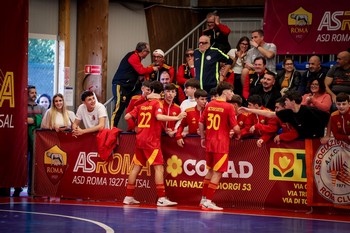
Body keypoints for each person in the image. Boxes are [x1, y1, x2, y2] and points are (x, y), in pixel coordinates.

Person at [123, 81, 186, 206]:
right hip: (151, 141)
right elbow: (159, 117)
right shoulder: (157, 103)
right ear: (161, 92)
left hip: (140, 139)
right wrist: (176, 118)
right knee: (159, 168)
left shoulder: (142, 104)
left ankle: (128, 197)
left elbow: (127, 117)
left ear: (150, 90)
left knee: (136, 168)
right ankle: (162, 198)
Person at [199, 82, 240, 211]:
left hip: (210, 143)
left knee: (210, 171)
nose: (232, 94)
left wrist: (202, 137)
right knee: (218, 172)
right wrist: (238, 134)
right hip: (221, 144)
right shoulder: (228, 107)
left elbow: (201, 122)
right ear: (224, 92)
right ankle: (209, 201)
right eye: (231, 92)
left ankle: (203, 199)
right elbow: (236, 127)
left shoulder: (209, 104)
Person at [239, 90, 330, 139]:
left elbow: (329, 118)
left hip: (317, 139)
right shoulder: (288, 112)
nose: (284, 102)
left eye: (286, 100)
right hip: (303, 139)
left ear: (293, 102)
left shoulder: (309, 110)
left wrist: (327, 136)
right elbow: (269, 114)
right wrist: (247, 109)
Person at [111, 42, 157, 128]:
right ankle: (112, 130)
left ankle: (130, 128)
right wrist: (152, 68)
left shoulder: (136, 57)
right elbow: (141, 70)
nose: (148, 54)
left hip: (127, 87)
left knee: (128, 108)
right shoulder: (133, 56)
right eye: (148, 52)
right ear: (143, 51)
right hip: (120, 85)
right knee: (118, 109)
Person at [14, 85, 46, 197]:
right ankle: (17, 188)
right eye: (32, 92)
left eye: (35, 92)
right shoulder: (21, 107)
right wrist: (27, 120)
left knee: (34, 165)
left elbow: (43, 121)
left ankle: (32, 189)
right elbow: (18, 119)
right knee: (20, 164)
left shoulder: (41, 108)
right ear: (27, 94)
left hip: (36, 140)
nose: (34, 94)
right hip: (22, 139)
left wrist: (32, 120)